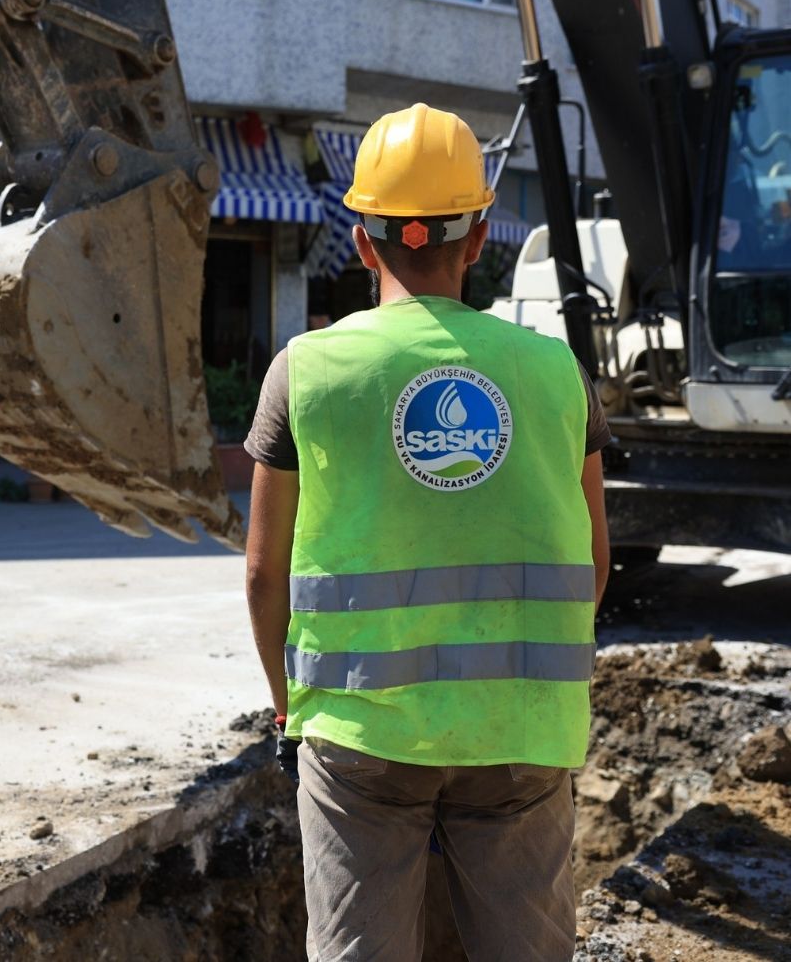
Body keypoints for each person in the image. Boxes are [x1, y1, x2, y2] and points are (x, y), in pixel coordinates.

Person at [243, 103, 610, 962]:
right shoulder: (557, 371)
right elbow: (593, 560)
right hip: (522, 736)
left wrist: (289, 710)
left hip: (362, 738)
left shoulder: (307, 370)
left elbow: (264, 572)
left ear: (364, 240)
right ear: (479, 238)